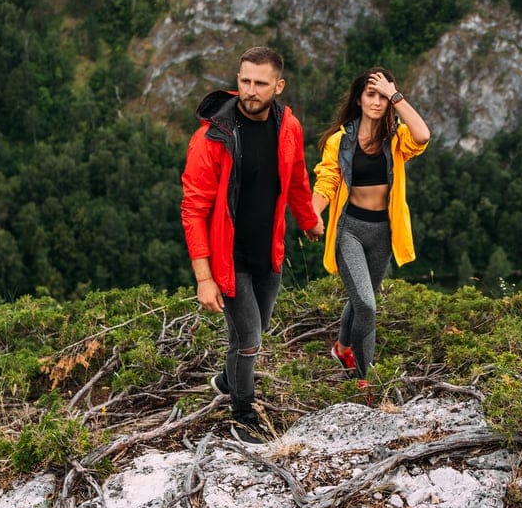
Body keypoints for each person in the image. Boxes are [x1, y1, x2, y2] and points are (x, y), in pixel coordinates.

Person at [181, 46, 324, 443]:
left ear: (278, 86)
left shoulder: (287, 127)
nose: (250, 90)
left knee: (254, 330)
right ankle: (243, 415)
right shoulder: (212, 137)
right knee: (249, 341)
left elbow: (296, 181)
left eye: (260, 83)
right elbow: (193, 209)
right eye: (244, 81)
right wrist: (204, 277)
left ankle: (227, 380)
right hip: (230, 257)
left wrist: (309, 222)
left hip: (269, 252)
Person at [311, 67, 429, 396]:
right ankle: (365, 379)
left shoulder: (396, 138)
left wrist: (396, 95)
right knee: (366, 304)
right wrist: (312, 215)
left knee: (363, 298)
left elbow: (422, 136)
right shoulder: (341, 140)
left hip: (383, 233)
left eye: (382, 96)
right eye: (370, 94)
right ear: (359, 99)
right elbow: (328, 181)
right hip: (350, 229)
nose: (377, 102)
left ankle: (342, 347)